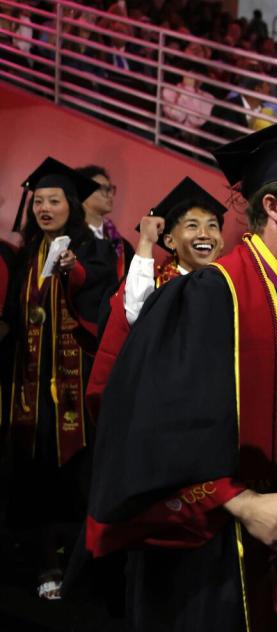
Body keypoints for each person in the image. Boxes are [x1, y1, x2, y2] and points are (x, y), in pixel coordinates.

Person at [83, 111, 277, 630]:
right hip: (215, 566)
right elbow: (153, 429)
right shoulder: (211, 296)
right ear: (271, 207)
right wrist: (239, 501)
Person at [4, 158, 114, 601]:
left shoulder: (91, 250)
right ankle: (46, 560)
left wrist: (73, 270)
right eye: (39, 202)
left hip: (76, 387)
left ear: (70, 204)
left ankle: (83, 563)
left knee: (80, 474)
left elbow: (100, 296)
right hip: (31, 386)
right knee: (37, 475)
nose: (45, 208)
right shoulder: (27, 255)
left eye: (54, 201)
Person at [86, 177, 227, 420]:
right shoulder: (158, 285)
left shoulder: (228, 289)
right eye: (192, 226)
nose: (205, 234)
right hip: (157, 407)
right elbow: (134, 315)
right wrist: (146, 242)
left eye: (213, 226)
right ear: (170, 241)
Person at [77, 165, 134, 281]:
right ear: (82, 191)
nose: (110, 195)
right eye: (103, 189)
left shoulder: (123, 247)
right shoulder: (71, 237)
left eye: (110, 189)